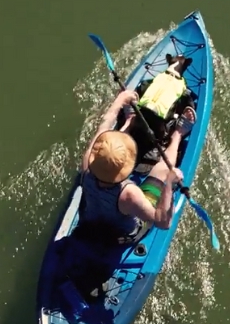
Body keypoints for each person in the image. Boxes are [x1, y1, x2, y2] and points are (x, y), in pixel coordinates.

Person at [76, 89, 195, 242]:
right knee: (162, 170)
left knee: (112, 144)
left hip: (90, 223)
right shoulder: (129, 195)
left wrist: (119, 100)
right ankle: (178, 134)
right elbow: (163, 222)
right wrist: (169, 184)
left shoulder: (87, 165)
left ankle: (129, 121)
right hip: (118, 236)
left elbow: (103, 128)